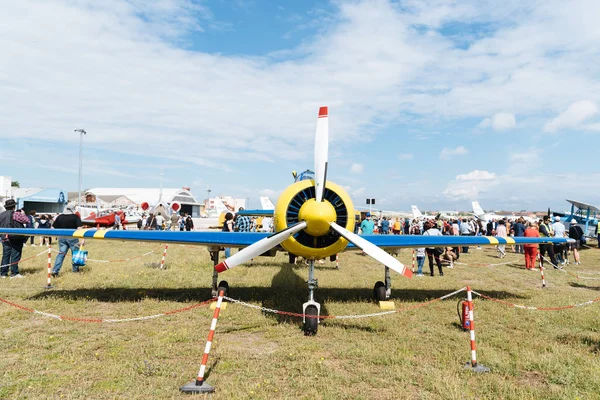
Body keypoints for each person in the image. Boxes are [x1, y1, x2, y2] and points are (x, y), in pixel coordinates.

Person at [0, 199, 30, 278]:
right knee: (15, 254)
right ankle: (14, 273)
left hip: (4, 237)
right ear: (14, 207)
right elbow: (27, 221)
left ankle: (3, 273)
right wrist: (23, 214)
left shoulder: (1, 214)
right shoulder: (16, 214)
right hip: (15, 237)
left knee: (6, 255)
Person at [51, 204, 83, 276]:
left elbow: (53, 228)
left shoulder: (60, 217)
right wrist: (82, 239)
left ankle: (55, 270)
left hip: (61, 238)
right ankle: (75, 271)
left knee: (61, 254)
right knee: (75, 254)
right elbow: (79, 228)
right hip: (73, 237)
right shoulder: (75, 217)